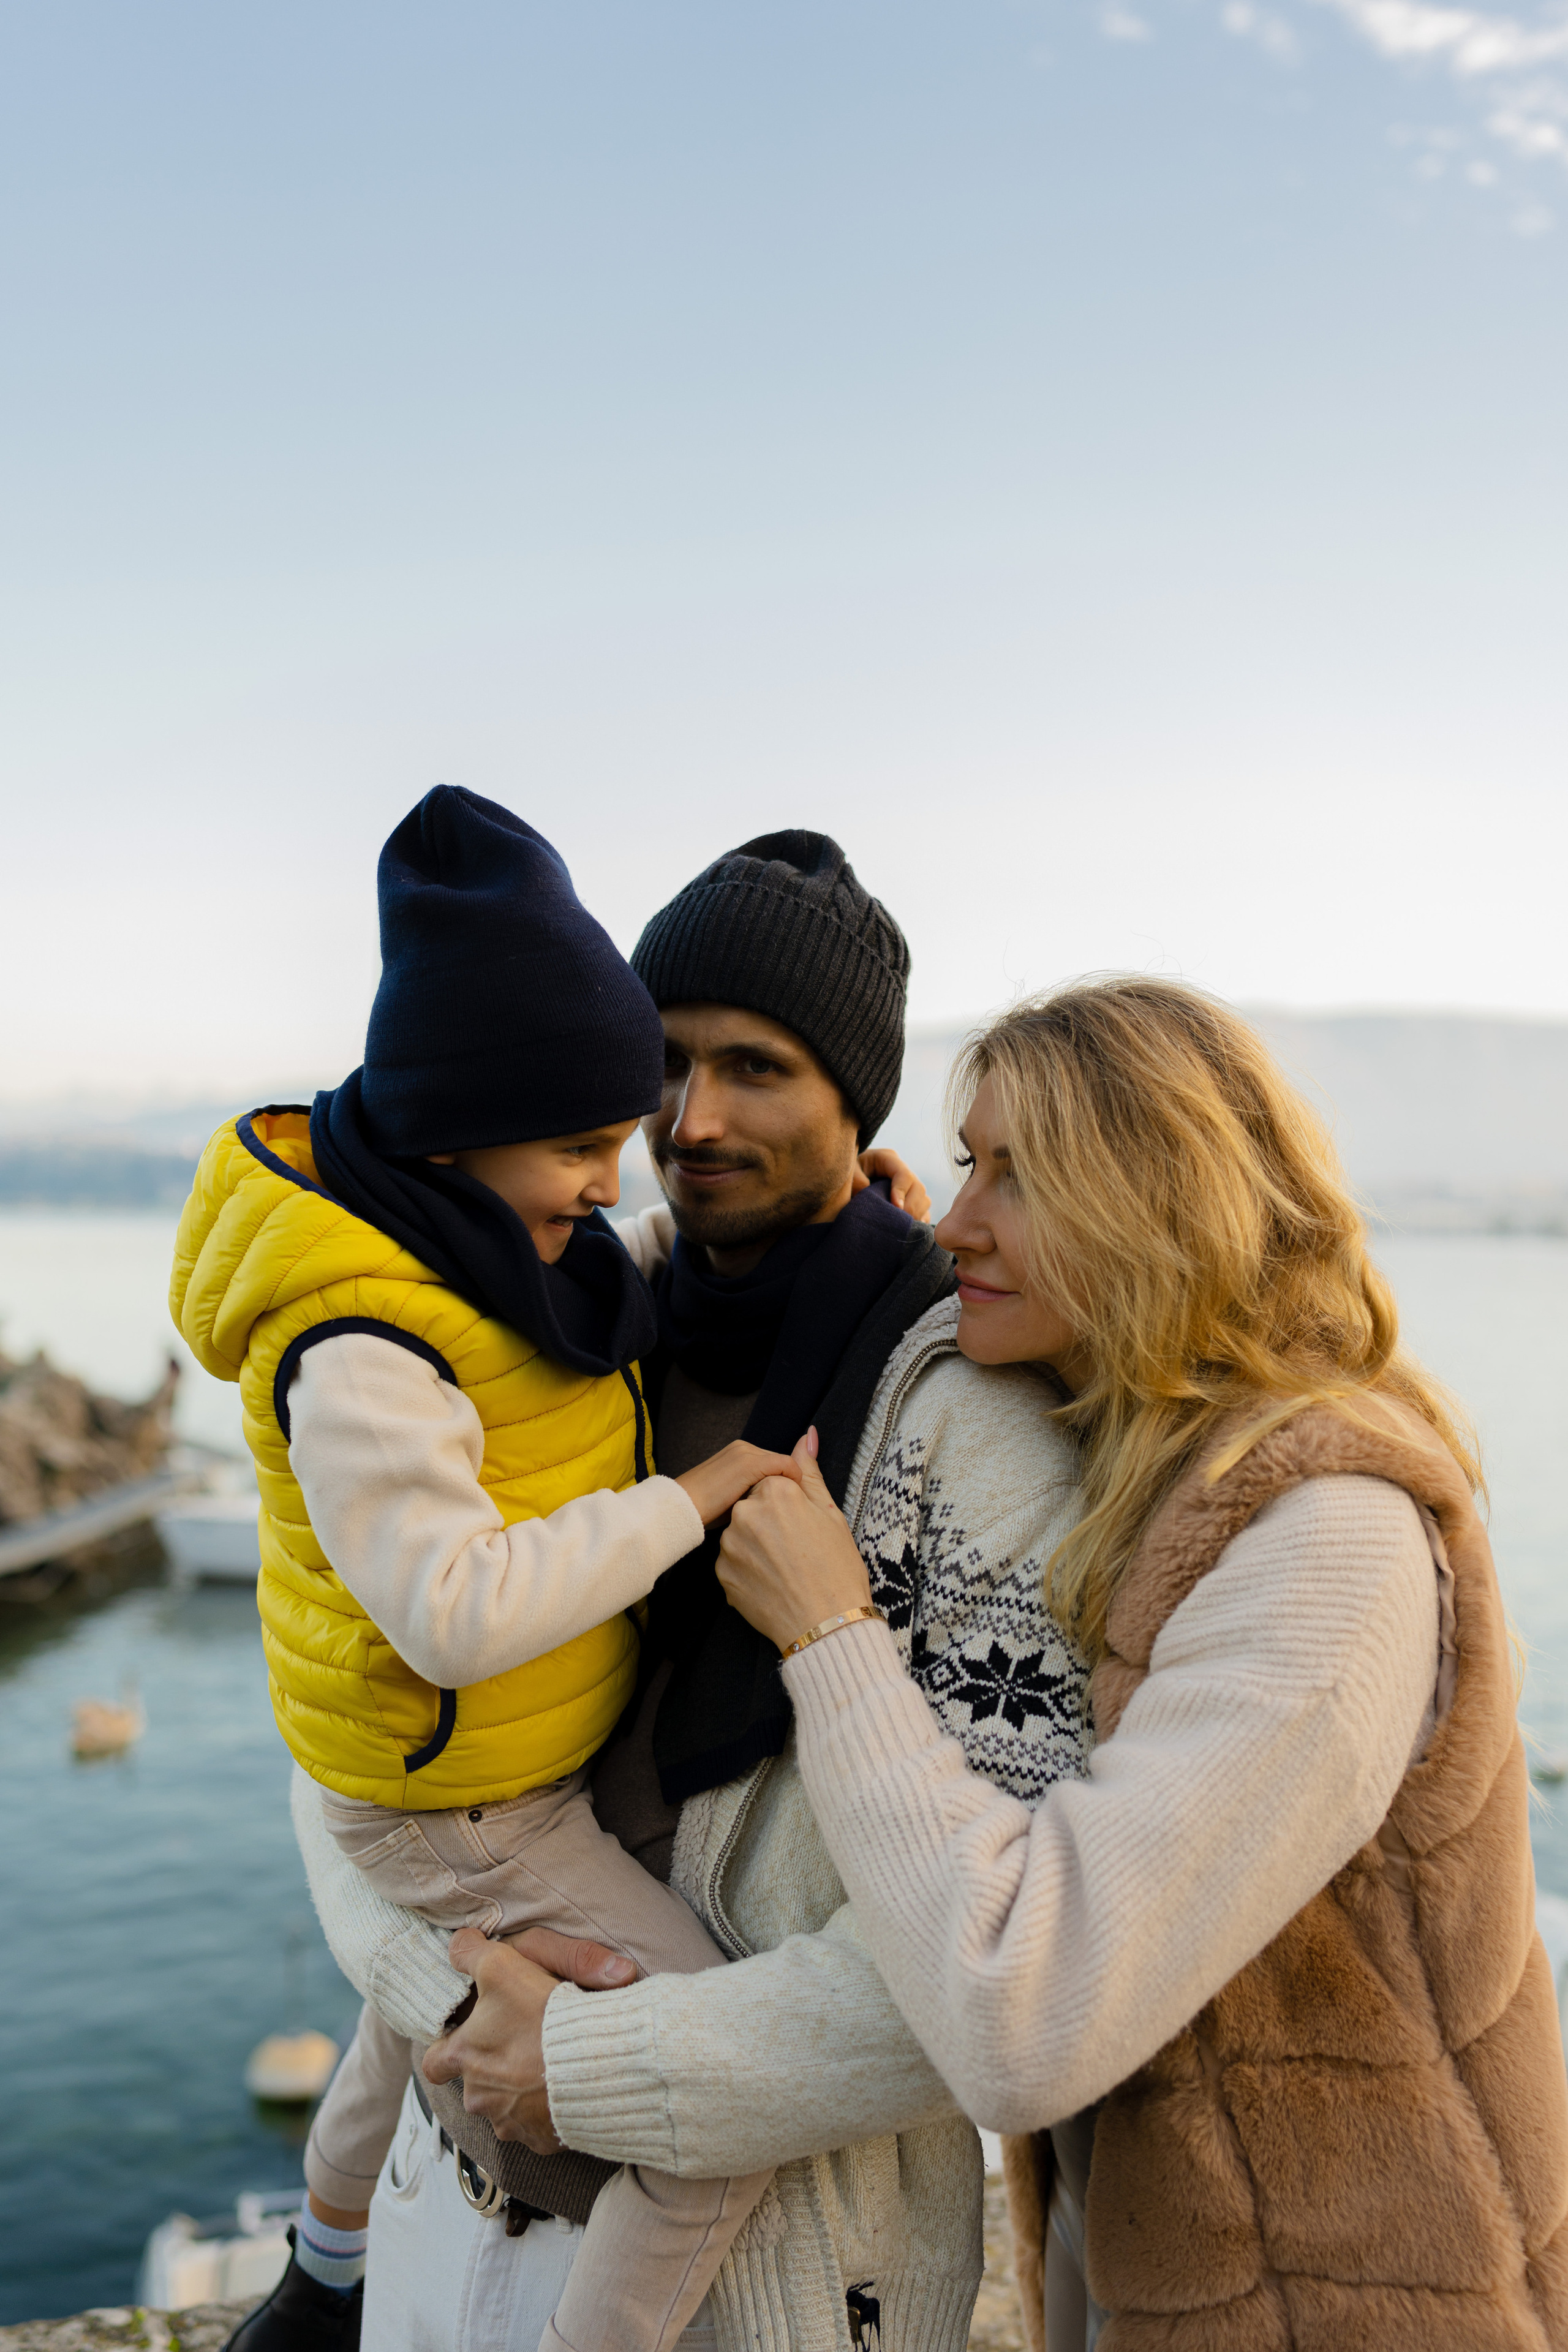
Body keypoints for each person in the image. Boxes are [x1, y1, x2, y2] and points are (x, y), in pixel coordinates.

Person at [295, 830, 1091, 2352]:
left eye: (757, 1068)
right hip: (451, 2181)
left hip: (756, 2268)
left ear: (855, 1103)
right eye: (661, 1061)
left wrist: (589, 2059)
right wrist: (452, 1997)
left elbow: (981, 1965)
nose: (692, 1117)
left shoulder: (980, 1429)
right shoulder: (556, 1324)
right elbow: (347, 1713)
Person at [710, 976, 1568, 2350]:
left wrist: (829, 1636)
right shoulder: (1165, 1457)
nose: (956, 1222)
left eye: (1020, 1179)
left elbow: (1019, 2017)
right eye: (964, 1165)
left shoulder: (1326, 1537)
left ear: (1164, 1204)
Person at [172, 788, 818, 2352]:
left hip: (489, 1788)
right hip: (461, 1805)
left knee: (409, 2023)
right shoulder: (362, 1347)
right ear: (461, 1135)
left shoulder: (478, 1247)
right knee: (713, 2094)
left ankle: (318, 2281)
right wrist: (689, 1499)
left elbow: (588, 1328)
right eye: (584, 1144)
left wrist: (837, 1221)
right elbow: (449, 1615)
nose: (620, 1176)